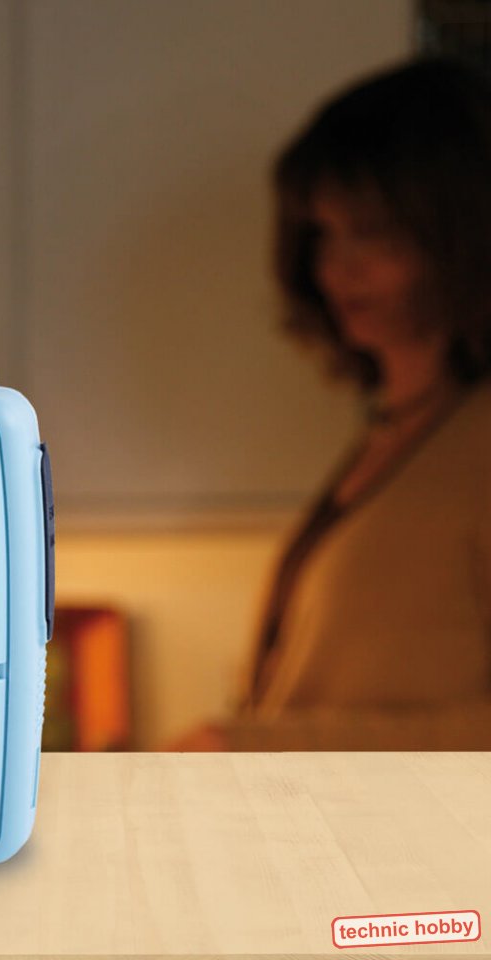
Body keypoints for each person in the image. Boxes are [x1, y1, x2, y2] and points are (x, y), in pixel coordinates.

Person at [169, 56, 491, 751]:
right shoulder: (398, 428)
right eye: (324, 234)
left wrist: (246, 744)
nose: (339, 267)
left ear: (458, 235)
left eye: (373, 232)